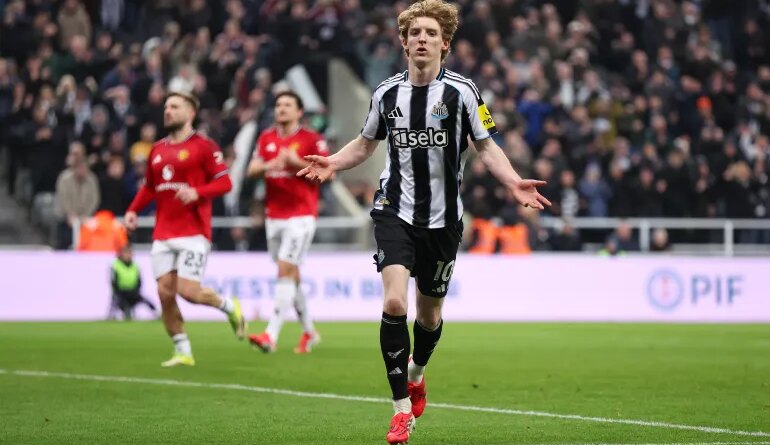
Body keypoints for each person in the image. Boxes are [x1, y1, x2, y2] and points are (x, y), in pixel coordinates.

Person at [297, 1, 551, 443]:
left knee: (429, 316)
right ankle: (399, 411)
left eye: (431, 33)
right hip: (394, 209)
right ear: (403, 42)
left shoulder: (464, 93)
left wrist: (513, 182)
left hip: (444, 220)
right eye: (414, 32)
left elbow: (487, 146)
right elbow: (364, 143)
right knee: (395, 303)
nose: (421, 39)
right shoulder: (386, 94)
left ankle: (417, 371)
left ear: (444, 44)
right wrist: (334, 164)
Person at [124, 91, 246, 368]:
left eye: (175, 106)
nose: (168, 110)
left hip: (193, 232)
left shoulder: (204, 146)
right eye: (166, 106)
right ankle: (183, 350)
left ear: (190, 113)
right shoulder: (157, 149)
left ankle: (229, 306)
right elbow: (149, 188)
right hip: (163, 234)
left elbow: (225, 183)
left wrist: (197, 192)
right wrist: (132, 210)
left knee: (188, 292)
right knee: (165, 293)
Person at [246, 91, 329, 354]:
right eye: (278, 104)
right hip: (275, 216)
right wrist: (270, 165)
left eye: (287, 105)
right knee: (291, 274)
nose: (281, 109)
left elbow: (329, 174)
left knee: (284, 268)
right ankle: (309, 332)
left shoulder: (311, 140)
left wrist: (295, 163)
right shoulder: (266, 138)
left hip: (301, 215)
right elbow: (251, 170)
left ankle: (270, 334)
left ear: (299, 112)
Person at [109, 244, 158, 320]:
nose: (128, 255)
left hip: (133, 292)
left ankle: (157, 314)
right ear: (121, 254)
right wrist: (120, 291)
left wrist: (136, 290)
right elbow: (113, 282)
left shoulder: (135, 266)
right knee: (121, 303)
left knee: (146, 301)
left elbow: (139, 281)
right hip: (120, 293)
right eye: (126, 253)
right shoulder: (116, 265)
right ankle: (113, 316)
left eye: (129, 253)